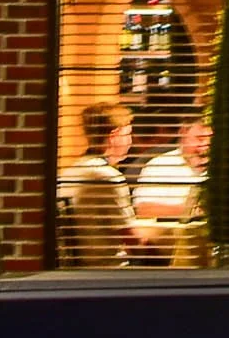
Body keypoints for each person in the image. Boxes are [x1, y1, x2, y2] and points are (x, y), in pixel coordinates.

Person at [58, 102, 136, 267]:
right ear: (114, 136)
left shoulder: (68, 174)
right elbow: (131, 238)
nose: (131, 140)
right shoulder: (108, 177)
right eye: (128, 133)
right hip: (108, 268)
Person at [133, 117, 210, 221]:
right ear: (183, 134)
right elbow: (143, 210)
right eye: (200, 139)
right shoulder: (160, 166)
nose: (205, 146)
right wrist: (191, 210)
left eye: (211, 141)